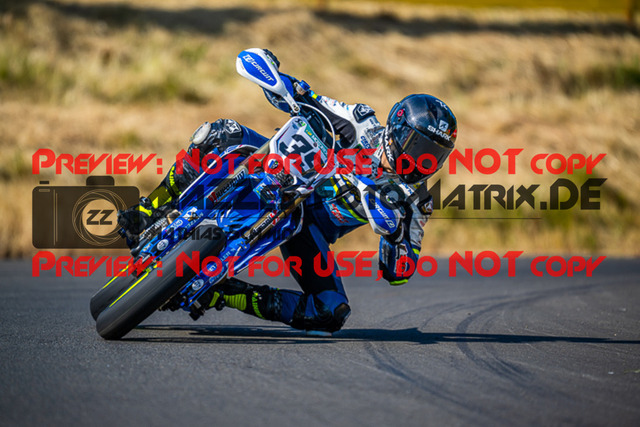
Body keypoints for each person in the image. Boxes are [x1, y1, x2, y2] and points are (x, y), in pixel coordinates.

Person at [118, 50, 458, 334]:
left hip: (307, 229)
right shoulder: (360, 122)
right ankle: (148, 211)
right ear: (397, 129)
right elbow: (310, 99)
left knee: (331, 312)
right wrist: (279, 81)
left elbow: (399, 273)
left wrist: (395, 236)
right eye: (417, 146)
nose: (421, 161)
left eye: (434, 154)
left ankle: (224, 293)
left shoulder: (415, 202)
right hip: (280, 168)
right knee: (220, 133)